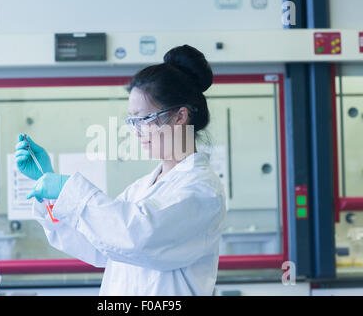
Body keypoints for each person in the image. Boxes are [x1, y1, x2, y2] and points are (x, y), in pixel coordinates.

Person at [15, 44, 226, 296]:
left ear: (180, 117)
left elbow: (138, 237)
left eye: (144, 119)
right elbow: (102, 244)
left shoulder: (201, 190)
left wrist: (70, 189)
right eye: (132, 121)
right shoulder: (140, 189)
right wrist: (51, 189)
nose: (137, 131)